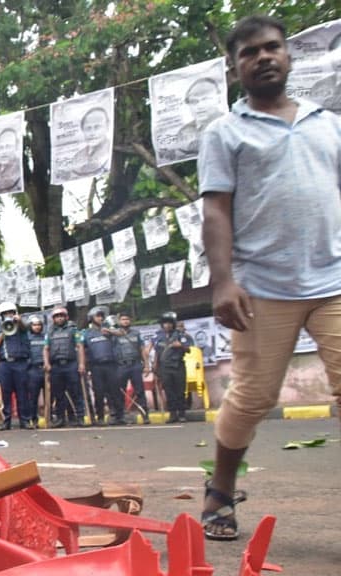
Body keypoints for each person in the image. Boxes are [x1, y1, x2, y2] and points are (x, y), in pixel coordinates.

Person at [197, 14, 341, 542]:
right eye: (250, 53)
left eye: (272, 48)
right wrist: (222, 281)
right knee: (253, 398)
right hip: (261, 287)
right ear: (236, 69)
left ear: (288, 55)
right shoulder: (225, 132)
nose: (263, 58)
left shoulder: (329, 123)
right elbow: (216, 211)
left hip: (334, 281)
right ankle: (220, 491)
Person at [80, 307, 126, 426]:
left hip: (111, 365)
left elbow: (122, 333)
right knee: (98, 392)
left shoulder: (108, 329)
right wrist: (83, 364)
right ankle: (100, 417)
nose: (100, 318)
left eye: (102, 316)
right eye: (98, 316)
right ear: (91, 318)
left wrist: (110, 331)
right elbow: (81, 349)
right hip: (96, 366)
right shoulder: (86, 333)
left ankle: (119, 416)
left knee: (115, 391)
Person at [0, 302, 32, 430]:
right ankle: (6, 421)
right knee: (6, 393)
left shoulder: (21, 327)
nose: (8, 315)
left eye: (11, 313)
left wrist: (18, 322)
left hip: (20, 362)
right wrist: (4, 331)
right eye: (5, 314)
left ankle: (24, 420)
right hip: (5, 364)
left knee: (22, 393)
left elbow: (26, 328)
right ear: (1, 316)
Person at [44, 307, 86, 428]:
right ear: (54, 319)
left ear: (66, 317)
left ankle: (80, 417)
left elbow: (80, 346)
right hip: (56, 366)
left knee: (76, 392)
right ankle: (60, 418)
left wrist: (82, 364)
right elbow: (46, 349)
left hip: (71, 365)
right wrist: (47, 363)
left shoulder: (73, 330)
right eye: (57, 316)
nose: (59, 318)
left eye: (62, 315)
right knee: (59, 394)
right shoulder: (50, 332)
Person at [110, 312, 150, 425]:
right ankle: (121, 416)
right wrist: (113, 331)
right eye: (123, 319)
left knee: (140, 391)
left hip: (135, 365)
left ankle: (145, 415)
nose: (125, 321)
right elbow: (105, 333)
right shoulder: (114, 334)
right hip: (121, 366)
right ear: (119, 321)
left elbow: (142, 349)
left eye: (127, 319)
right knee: (120, 392)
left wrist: (147, 365)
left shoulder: (136, 333)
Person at [152, 312, 190, 424]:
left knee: (180, 390)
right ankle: (173, 414)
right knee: (169, 391)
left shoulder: (180, 335)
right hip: (164, 368)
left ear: (173, 324)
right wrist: (154, 365)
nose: (167, 325)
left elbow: (189, 349)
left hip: (178, 366)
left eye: (169, 323)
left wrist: (181, 346)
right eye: (165, 323)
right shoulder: (159, 336)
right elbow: (157, 352)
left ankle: (182, 413)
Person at [173, 78, 226, 158]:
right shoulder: (185, 131)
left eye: (205, 99)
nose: (200, 106)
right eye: (194, 101)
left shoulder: (229, 124)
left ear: (218, 99)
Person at [72, 106, 112, 177]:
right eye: (88, 128)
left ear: (107, 126)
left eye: (97, 127)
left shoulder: (110, 150)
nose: (92, 133)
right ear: (82, 129)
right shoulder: (77, 157)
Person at [25, 314, 47, 428]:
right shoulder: (27, 338)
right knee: (33, 397)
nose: (37, 327)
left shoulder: (45, 337)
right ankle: (33, 419)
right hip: (33, 370)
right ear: (30, 326)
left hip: (46, 369)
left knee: (49, 396)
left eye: (39, 325)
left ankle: (49, 417)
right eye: (34, 325)